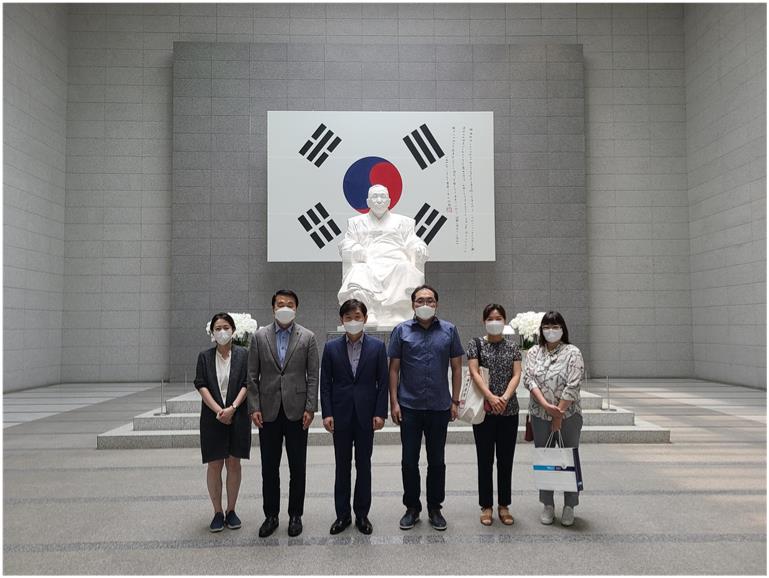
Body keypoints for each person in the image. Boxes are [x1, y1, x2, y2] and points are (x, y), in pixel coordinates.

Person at [388, 284, 464, 531]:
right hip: (409, 406)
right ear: (413, 304)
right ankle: (412, 507)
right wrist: (394, 402)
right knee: (409, 461)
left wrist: (455, 401)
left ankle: (435, 507)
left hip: (440, 406)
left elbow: (456, 368)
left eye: (430, 300)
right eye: (420, 300)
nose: (425, 304)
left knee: (437, 461)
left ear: (436, 304)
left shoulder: (449, 330)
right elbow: (393, 369)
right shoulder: (401, 331)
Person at [247, 290, 319, 538]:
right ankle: (271, 515)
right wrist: (254, 407)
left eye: (289, 304)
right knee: (269, 467)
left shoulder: (307, 337)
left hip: (298, 411)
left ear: (296, 308)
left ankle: (295, 515)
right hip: (267, 410)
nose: (285, 307)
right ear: (273, 308)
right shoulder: (259, 337)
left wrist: (310, 407)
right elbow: (252, 376)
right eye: (280, 304)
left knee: (298, 467)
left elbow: (313, 376)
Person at [320, 299, 389, 535]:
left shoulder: (378, 347)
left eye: (357, 317)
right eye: (348, 317)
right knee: (342, 466)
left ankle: (362, 514)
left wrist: (380, 413)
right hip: (340, 415)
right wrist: (327, 413)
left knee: (363, 465)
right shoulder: (330, 348)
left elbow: (383, 382)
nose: (353, 321)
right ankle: (342, 515)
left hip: (366, 416)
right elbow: (325, 384)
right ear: (341, 320)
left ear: (365, 319)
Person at [523, 310, 584, 527]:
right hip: (540, 414)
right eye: (547, 327)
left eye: (555, 326)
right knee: (545, 459)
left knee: (568, 458)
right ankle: (547, 504)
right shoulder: (534, 352)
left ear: (562, 329)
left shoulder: (573, 352)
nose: (551, 330)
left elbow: (574, 384)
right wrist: (547, 407)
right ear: (541, 330)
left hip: (569, 415)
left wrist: (558, 413)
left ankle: (570, 505)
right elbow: (529, 380)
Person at [338, 184, 428, 326]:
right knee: (359, 271)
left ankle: (396, 312)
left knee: (405, 268)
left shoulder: (404, 222)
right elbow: (346, 242)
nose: (379, 200)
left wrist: (419, 247)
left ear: (389, 201)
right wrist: (355, 247)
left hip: (396, 260)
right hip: (368, 261)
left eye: (383, 196)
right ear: (368, 202)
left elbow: (412, 240)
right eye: (375, 197)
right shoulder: (356, 223)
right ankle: (368, 311)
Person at [194, 312, 251, 533]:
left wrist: (233, 408)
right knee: (215, 464)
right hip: (213, 417)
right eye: (217, 328)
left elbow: (247, 382)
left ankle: (231, 510)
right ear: (212, 333)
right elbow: (201, 384)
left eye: (226, 327)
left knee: (234, 463)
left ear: (234, 330)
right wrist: (219, 410)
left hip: (238, 415)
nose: (222, 332)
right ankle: (217, 512)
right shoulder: (204, 357)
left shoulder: (243, 355)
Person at [466, 304, 522, 526]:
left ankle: (504, 505)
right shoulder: (476, 344)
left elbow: (516, 374)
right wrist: (491, 397)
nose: (494, 321)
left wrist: (504, 398)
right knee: (485, 459)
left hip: (509, 410)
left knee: (506, 460)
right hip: (485, 411)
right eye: (490, 318)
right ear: (484, 321)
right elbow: (474, 372)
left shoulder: (513, 347)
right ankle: (486, 506)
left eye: (498, 318)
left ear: (505, 320)